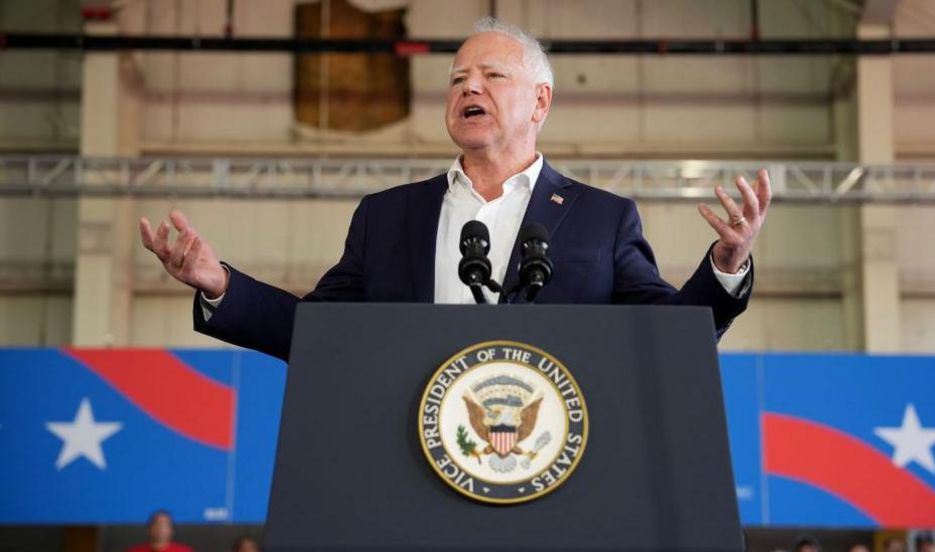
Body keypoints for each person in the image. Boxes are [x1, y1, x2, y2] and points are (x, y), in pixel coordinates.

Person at [138, 18, 770, 362]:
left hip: (559, 469)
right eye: (458, 78)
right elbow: (317, 330)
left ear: (540, 101)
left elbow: (670, 334)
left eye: (492, 75)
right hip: (411, 460)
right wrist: (220, 283)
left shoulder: (602, 219)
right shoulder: (387, 217)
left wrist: (726, 266)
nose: (470, 88)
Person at [113, 510, 202, 552]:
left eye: (164, 525)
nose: (160, 529)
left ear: (171, 530)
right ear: (149, 529)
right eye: (157, 524)